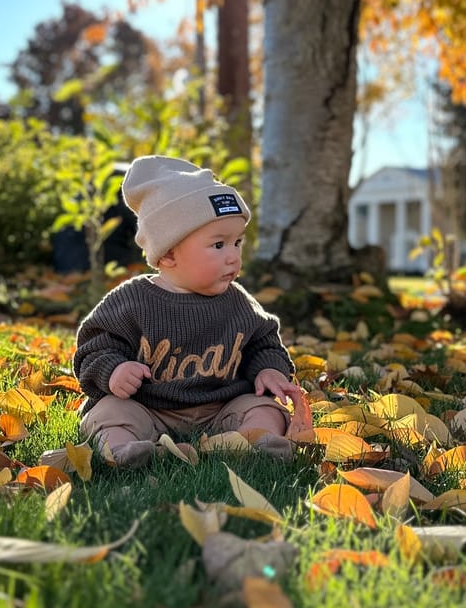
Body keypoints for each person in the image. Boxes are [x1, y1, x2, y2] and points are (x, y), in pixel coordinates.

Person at [71, 155, 304, 468]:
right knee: (109, 414)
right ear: (168, 254)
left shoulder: (238, 301)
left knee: (264, 408)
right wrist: (113, 371)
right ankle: (125, 451)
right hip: (147, 408)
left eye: (237, 242)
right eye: (219, 245)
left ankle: (254, 445)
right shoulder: (133, 300)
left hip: (221, 409)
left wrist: (268, 369)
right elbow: (93, 349)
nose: (234, 257)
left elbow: (263, 342)